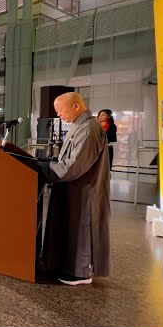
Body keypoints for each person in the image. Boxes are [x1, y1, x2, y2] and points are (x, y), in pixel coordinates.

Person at [38, 92, 110, 286]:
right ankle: (68, 266)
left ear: (76, 107)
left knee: (82, 231)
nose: (59, 114)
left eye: (60, 110)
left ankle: (80, 273)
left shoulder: (89, 128)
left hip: (85, 191)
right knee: (72, 230)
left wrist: (43, 169)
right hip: (75, 189)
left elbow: (74, 165)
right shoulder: (80, 126)